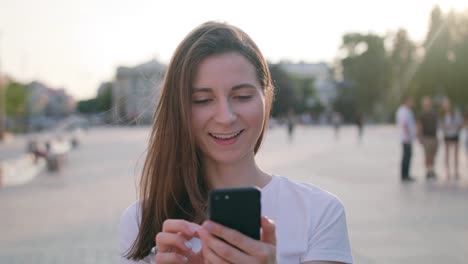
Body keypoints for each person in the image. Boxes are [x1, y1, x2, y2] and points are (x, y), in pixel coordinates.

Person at [119, 21, 353, 264]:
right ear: (178, 110)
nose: (225, 117)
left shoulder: (319, 212)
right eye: (202, 100)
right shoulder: (142, 222)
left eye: (242, 96)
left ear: (267, 97)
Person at [441, 98, 464, 179]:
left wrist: (455, 126)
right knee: (447, 154)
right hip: (447, 135)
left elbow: (461, 124)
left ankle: (456, 172)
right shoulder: (442, 114)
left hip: (454, 134)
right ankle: (448, 172)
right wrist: (444, 127)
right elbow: (441, 126)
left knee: (455, 154)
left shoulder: (455, 113)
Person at [416, 96, 438, 180]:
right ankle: (428, 171)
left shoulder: (434, 113)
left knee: (433, 155)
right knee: (427, 155)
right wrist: (419, 137)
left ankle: (432, 170)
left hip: (434, 137)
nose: (428, 104)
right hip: (426, 137)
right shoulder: (421, 114)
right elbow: (419, 126)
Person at [396, 97, 416, 182]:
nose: (412, 103)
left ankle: (406, 174)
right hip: (405, 138)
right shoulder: (403, 111)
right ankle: (404, 175)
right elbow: (404, 124)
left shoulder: (408, 111)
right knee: (406, 156)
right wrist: (408, 137)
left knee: (408, 156)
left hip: (408, 137)